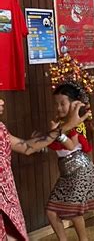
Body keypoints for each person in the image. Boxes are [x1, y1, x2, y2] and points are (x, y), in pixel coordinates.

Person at [0, 98, 89, 241]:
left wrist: (65, 128)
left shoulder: (1, 128)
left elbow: (26, 147)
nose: (2, 102)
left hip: (9, 198)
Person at [45, 84, 94, 241]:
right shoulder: (58, 123)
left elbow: (71, 145)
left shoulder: (76, 124)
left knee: (74, 211)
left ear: (74, 105)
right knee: (51, 211)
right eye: (56, 104)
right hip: (66, 172)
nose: (59, 107)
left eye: (63, 103)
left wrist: (57, 133)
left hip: (80, 170)